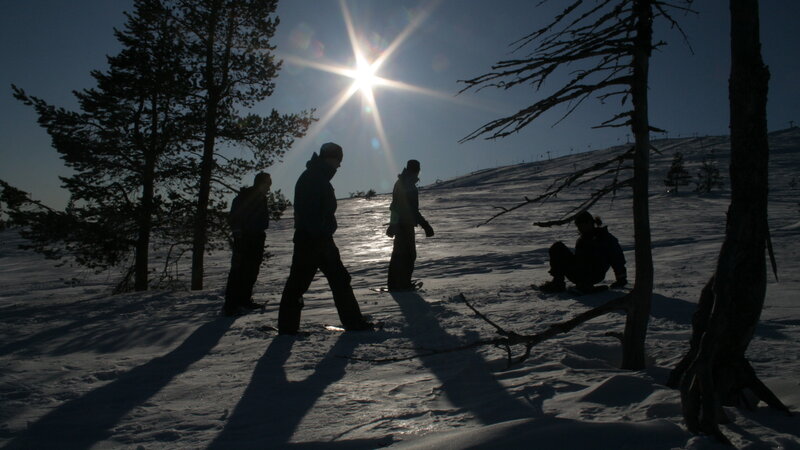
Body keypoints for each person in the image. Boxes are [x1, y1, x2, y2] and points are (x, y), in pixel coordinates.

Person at [277, 143, 373, 334]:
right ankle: (352, 322)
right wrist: (320, 235)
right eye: (338, 161)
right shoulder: (314, 178)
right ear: (330, 158)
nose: (339, 166)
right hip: (314, 240)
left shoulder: (316, 176)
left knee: (335, 280)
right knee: (305, 282)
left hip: (316, 239)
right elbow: (310, 212)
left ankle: (353, 322)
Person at [539, 210, 627, 293]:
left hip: (594, 275)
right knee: (558, 247)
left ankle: (586, 285)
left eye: (582, 225)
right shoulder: (582, 239)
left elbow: (617, 258)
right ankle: (558, 283)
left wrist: (621, 279)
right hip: (578, 272)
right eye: (578, 226)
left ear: (590, 223)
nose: (580, 229)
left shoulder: (605, 238)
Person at [223, 172, 272, 316]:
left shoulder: (261, 198)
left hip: (257, 237)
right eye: (267, 184)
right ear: (260, 183)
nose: (269, 188)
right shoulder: (244, 197)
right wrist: (238, 234)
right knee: (238, 271)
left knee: (251, 271)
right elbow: (234, 218)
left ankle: (244, 300)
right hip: (244, 238)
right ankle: (231, 305)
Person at [386, 159, 434, 291]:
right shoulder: (408, 185)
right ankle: (403, 283)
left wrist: (392, 224)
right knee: (409, 255)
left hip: (401, 224)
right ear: (416, 170)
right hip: (405, 224)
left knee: (398, 254)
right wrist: (425, 225)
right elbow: (412, 209)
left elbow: (394, 206)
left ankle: (393, 283)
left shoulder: (400, 182)